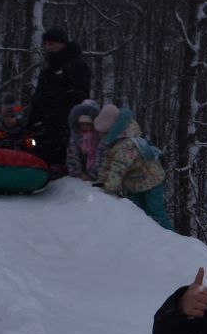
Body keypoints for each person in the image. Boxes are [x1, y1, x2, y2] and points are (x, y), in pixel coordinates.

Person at [94, 104, 173, 230]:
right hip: (135, 184)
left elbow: (119, 167)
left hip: (152, 180)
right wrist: (102, 179)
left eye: (102, 133)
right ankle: (145, 236)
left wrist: (109, 185)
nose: (100, 136)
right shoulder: (114, 143)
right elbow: (108, 163)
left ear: (110, 130)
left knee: (156, 212)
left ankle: (171, 239)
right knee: (137, 213)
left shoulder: (126, 145)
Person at [29, 27, 91, 171]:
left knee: (61, 160)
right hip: (44, 126)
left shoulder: (77, 66)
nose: (48, 47)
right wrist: (32, 122)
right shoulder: (47, 70)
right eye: (46, 44)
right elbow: (38, 98)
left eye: (51, 44)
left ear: (62, 43)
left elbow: (79, 97)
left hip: (65, 125)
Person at [66, 100, 101, 180]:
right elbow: (72, 154)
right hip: (80, 172)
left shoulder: (97, 137)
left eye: (88, 124)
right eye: (82, 124)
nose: (85, 126)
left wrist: (94, 173)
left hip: (94, 172)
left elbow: (98, 155)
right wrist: (77, 172)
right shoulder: (77, 136)